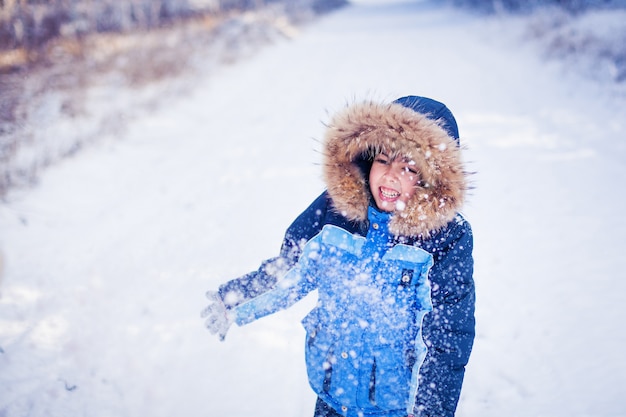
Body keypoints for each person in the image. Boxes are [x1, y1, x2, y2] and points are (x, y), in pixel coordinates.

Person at [202, 96, 475, 417]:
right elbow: (289, 270)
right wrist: (235, 299)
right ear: (367, 159)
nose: (389, 177)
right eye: (383, 160)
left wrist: (430, 411)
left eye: (409, 168)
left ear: (431, 179)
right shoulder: (336, 212)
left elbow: (446, 337)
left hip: (397, 407)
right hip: (333, 395)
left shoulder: (445, 239)